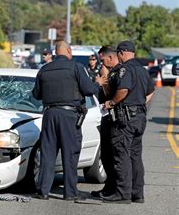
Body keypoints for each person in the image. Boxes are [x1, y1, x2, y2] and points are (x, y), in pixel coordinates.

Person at [32, 41, 106, 201]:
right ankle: (70, 192)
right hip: (69, 116)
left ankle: (43, 191)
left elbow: (36, 94)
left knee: (48, 154)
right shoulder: (76, 67)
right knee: (70, 154)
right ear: (68, 51)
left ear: (55, 53)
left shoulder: (44, 69)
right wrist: (97, 84)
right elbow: (88, 90)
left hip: (49, 115)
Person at [101, 41, 155, 204]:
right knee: (135, 156)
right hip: (139, 117)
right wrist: (139, 104)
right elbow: (151, 91)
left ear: (122, 52)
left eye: (118, 53)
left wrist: (112, 103)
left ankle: (123, 193)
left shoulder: (126, 69)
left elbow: (123, 90)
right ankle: (137, 193)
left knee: (121, 154)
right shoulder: (142, 70)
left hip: (125, 119)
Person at [90, 46, 122, 198]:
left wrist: (103, 81)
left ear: (110, 57)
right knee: (106, 155)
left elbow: (111, 95)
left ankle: (116, 189)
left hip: (114, 118)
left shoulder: (118, 72)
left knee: (113, 156)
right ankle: (109, 187)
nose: (101, 64)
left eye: (102, 60)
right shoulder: (111, 71)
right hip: (104, 116)